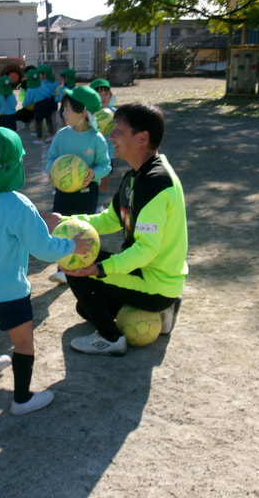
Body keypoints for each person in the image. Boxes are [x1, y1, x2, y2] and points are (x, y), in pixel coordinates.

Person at [0, 128, 94, 415]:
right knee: (23, 343)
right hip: (8, 291)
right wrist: (72, 245)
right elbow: (43, 249)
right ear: (17, 164)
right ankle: (22, 400)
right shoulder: (19, 205)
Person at [54, 103, 188, 356]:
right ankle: (163, 309)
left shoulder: (155, 183)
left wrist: (100, 269)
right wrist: (63, 220)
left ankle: (110, 338)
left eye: (118, 131)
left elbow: (146, 250)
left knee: (74, 263)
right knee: (85, 309)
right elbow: (109, 220)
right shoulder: (137, 176)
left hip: (156, 283)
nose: (110, 137)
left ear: (142, 138)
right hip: (151, 276)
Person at [45, 86, 111, 284]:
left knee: (83, 229)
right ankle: (62, 268)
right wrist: (51, 171)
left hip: (87, 192)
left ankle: (83, 265)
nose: (63, 113)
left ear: (83, 113)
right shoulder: (62, 135)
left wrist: (94, 173)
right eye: (63, 108)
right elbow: (51, 158)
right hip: (63, 192)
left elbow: (105, 165)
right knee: (61, 227)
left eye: (67, 109)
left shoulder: (96, 139)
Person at [90, 78, 117, 209]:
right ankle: (90, 202)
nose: (102, 97)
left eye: (105, 94)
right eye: (98, 94)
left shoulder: (115, 113)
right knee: (90, 179)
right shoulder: (88, 114)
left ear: (110, 96)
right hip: (90, 153)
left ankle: (99, 205)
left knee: (104, 181)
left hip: (107, 154)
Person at [20, 69, 56, 145]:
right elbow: (48, 93)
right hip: (47, 102)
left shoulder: (30, 89)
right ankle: (51, 135)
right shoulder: (41, 85)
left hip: (39, 105)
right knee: (48, 119)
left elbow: (28, 101)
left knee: (39, 121)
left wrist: (23, 105)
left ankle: (40, 139)